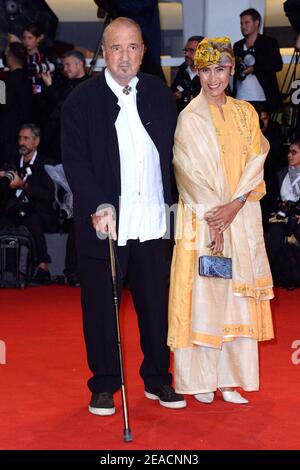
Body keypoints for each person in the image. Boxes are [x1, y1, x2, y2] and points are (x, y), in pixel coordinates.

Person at [61, 17, 186, 416]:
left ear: (144, 52)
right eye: (116, 47)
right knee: (100, 309)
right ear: (103, 52)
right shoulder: (81, 101)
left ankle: (157, 379)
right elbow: (76, 164)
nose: (125, 56)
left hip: (152, 220)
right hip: (106, 224)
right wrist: (98, 206)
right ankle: (103, 384)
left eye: (133, 47)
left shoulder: (159, 94)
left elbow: (174, 156)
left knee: (155, 306)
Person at [167, 37, 274, 405]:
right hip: (203, 224)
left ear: (231, 69)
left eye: (220, 69)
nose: (213, 78)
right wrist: (217, 216)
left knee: (234, 299)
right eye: (206, 70)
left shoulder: (245, 113)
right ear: (197, 71)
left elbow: (258, 159)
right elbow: (188, 172)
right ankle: (200, 379)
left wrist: (235, 206)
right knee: (204, 297)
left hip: (239, 218)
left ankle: (229, 379)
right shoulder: (189, 117)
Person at [0, 124, 56, 284]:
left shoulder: (46, 164)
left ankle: (42, 266)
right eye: (20, 138)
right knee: (3, 221)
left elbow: (48, 195)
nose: (21, 142)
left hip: (39, 211)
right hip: (14, 210)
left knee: (32, 221)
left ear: (36, 141)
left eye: (26, 138)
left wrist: (23, 185)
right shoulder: (11, 164)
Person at [233, 8, 283, 112]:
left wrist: (254, 69)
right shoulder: (237, 45)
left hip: (262, 99)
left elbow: (277, 65)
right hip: (240, 98)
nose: (243, 26)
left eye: (246, 23)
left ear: (256, 23)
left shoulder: (269, 43)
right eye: (241, 23)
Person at [267, 140, 300, 289]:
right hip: (282, 214)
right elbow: (273, 197)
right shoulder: (281, 173)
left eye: (294, 152)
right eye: (289, 152)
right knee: (275, 234)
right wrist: (279, 209)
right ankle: (280, 277)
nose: (289, 155)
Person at [171, 36, 203, 114]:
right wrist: (174, 96)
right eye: (185, 50)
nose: (187, 54)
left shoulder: (211, 74)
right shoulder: (181, 70)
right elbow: (172, 92)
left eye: (191, 51)